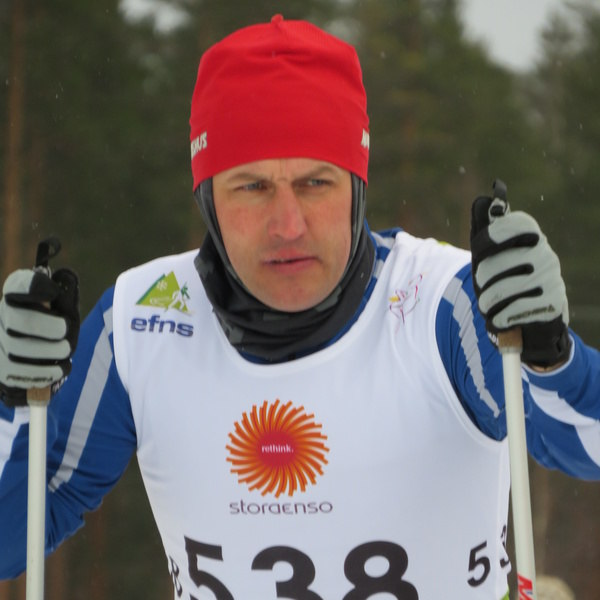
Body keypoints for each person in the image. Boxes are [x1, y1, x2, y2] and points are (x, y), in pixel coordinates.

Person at [1, 14, 599, 599]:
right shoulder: (143, 322)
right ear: (208, 198)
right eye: (252, 186)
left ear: (357, 188)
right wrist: (10, 403)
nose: (288, 225)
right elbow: (11, 535)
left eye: (316, 183)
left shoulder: (444, 306)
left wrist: (550, 354)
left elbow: (584, 445)